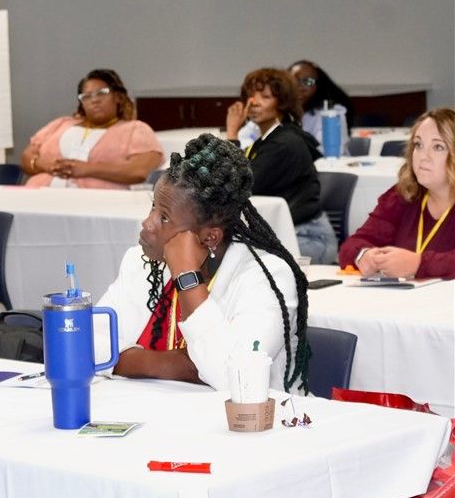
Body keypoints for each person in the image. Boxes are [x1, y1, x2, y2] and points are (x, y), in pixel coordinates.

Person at [95, 134, 309, 393]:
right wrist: (183, 366)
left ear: (209, 237)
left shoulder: (267, 277)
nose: (147, 223)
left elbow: (237, 378)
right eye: (153, 207)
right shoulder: (139, 263)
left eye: (164, 217)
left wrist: (187, 275)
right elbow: (90, 344)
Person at [226, 67, 338, 264]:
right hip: (288, 232)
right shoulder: (270, 139)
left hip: (307, 238)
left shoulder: (283, 143)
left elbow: (238, 185)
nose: (254, 102)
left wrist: (232, 134)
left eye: (265, 97)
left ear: (282, 103)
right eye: (251, 95)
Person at [339, 107, 455, 280]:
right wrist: (364, 255)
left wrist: (418, 264)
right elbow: (352, 245)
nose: (423, 156)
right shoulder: (403, 196)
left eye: (438, 147)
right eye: (418, 145)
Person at [20, 68, 163, 188]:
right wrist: (46, 165)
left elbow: (139, 171)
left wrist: (87, 169)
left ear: (118, 97)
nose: (94, 100)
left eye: (102, 93)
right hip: (39, 199)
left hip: (98, 203)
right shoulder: (60, 124)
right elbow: (26, 157)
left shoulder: (135, 129)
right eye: (86, 96)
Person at [288, 59, 355, 147]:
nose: (300, 88)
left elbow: (326, 149)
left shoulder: (331, 113)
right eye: (294, 81)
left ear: (318, 85)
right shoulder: (280, 111)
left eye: (308, 82)